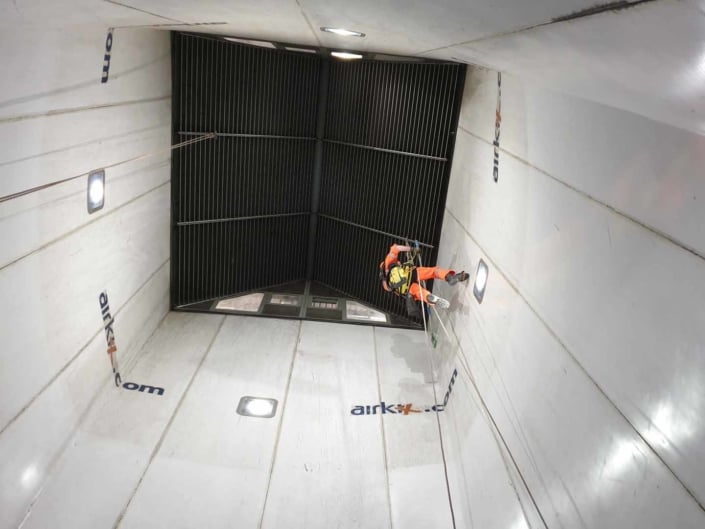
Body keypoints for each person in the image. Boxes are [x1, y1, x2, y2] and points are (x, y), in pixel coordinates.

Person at [378, 242, 468, 313]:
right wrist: (412, 249)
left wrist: (409, 294)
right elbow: (396, 248)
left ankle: (429, 297)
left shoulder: (385, 283)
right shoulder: (388, 261)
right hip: (410, 273)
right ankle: (450, 277)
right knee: (434, 272)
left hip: (407, 288)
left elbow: (394, 290)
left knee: (421, 293)